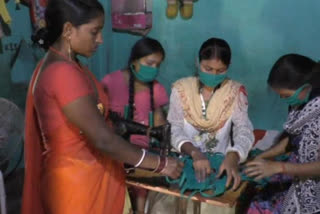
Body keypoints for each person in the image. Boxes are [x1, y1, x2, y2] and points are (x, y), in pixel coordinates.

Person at [21, 1, 183, 214]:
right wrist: (161, 164)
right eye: (94, 32)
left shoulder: (67, 65)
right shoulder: (62, 73)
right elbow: (103, 139)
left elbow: (101, 120)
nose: (100, 39)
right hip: (77, 186)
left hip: (84, 177)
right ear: (68, 30)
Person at [148, 37, 254, 213]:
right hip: (183, 164)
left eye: (220, 71)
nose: (213, 75)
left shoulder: (235, 92)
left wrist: (234, 155)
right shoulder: (182, 89)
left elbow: (245, 129)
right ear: (198, 63)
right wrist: (194, 152)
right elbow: (174, 128)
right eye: (208, 68)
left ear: (228, 68)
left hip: (219, 167)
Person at [245, 54, 320, 214]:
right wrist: (263, 156)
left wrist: (279, 167)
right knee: (258, 192)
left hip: (314, 187)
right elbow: (293, 139)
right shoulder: (301, 103)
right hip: (298, 168)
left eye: (285, 95)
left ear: (306, 86)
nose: (283, 99)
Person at [101, 37, 169, 214]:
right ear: (134, 60)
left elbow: (161, 123)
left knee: (143, 189)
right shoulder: (110, 82)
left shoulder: (156, 89)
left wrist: (166, 141)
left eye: (158, 65)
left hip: (142, 156)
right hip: (113, 152)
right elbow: (99, 118)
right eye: (150, 63)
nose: (154, 69)